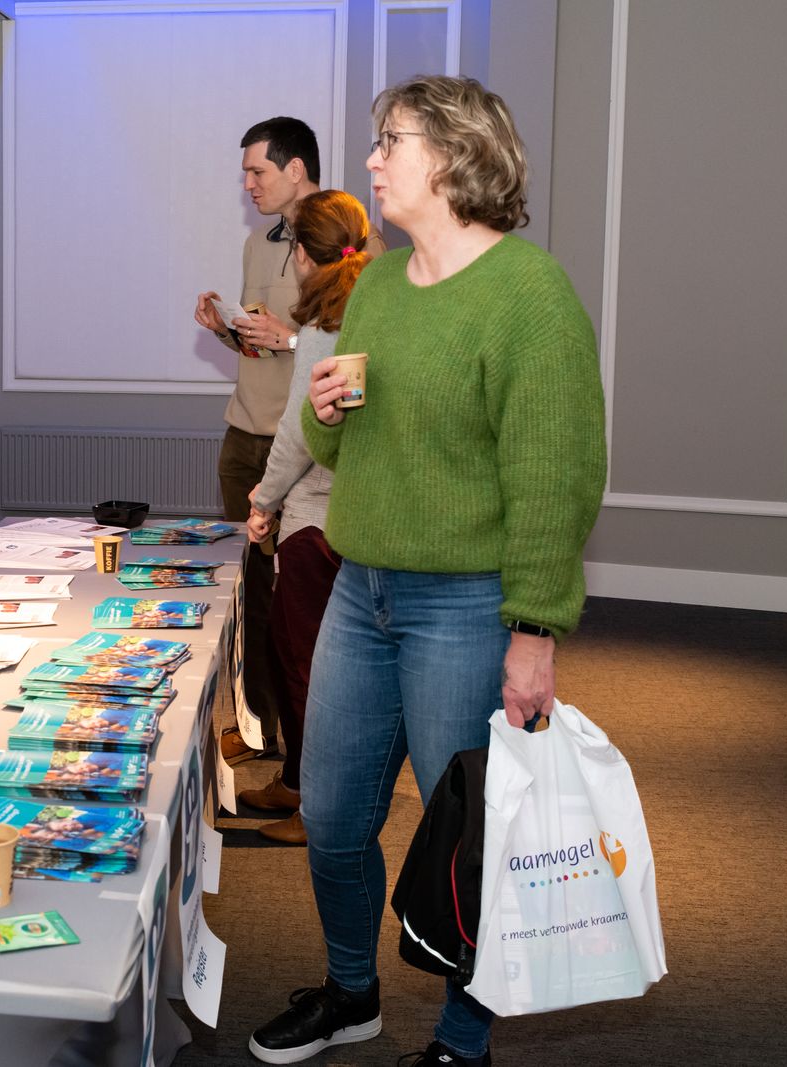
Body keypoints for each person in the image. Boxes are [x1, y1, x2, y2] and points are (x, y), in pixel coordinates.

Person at [247, 76, 607, 1066]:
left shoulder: (529, 294)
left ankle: (462, 1038)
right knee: (331, 817)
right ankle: (350, 992)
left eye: (389, 141)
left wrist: (534, 629)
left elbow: (556, 476)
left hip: (465, 606)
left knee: (463, 834)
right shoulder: (376, 286)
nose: (370, 160)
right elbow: (338, 442)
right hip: (360, 588)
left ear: (453, 155)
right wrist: (324, 409)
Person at [193, 117, 386, 765]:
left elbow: (352, 349)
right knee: (249, 597)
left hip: (304, 451)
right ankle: (261, 731)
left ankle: (315, 752)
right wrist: (230, 329)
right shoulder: (257, 243)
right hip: (246, 434)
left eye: (258, 171)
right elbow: (270, 341)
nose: (248, 184)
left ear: (296, 169)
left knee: (306, 611)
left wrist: (296, 340)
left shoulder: (358, 241)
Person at [240, 189, 374, 846]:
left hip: (315, 521)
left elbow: (300, 434)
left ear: (302, 254)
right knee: (307, 659)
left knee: (304, 668)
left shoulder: (325, 325)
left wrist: (263, 501)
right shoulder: (374, 309)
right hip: (355, 515)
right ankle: (296, 781)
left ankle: (314, 807)